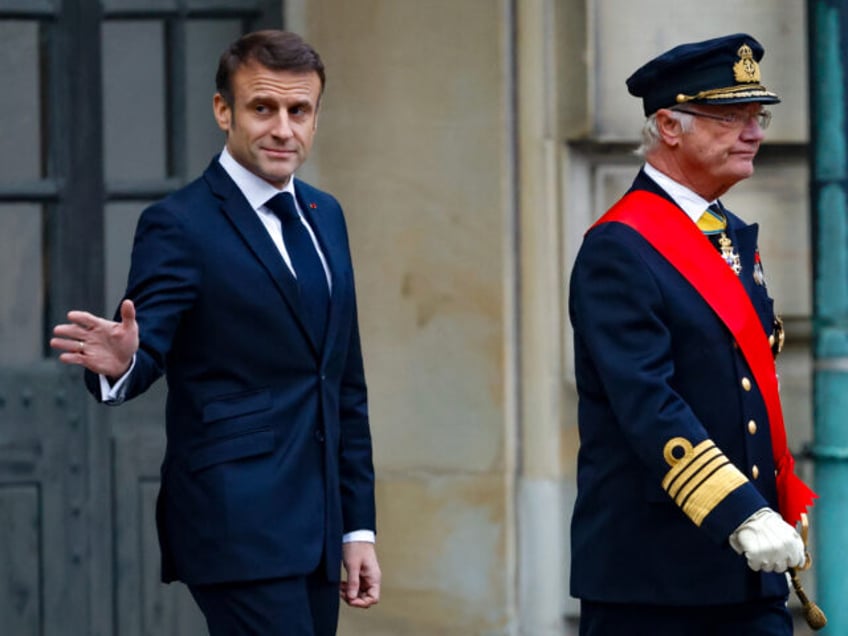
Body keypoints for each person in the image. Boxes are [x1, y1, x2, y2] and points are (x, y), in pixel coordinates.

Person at [51, 30, 380, 636]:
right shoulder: (178, 225)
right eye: (263, 108)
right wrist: (124, 361)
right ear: (223, 111)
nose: (284, 128)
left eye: (299, 111)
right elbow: (145, 348)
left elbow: (342, 383)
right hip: (235, 522)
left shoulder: (324, 215)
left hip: (318, 527)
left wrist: (357, 528)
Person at [568, 33, 817, 635]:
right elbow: (647, 403)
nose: (754, 131)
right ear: (669, 126)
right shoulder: (620, 249)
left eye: (756, 116)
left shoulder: (727, 233)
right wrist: (742, 514)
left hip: (745, 573)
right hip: (658, 581)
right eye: (730, 116)